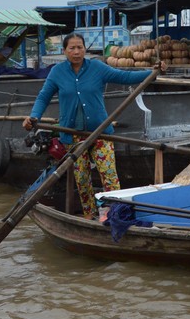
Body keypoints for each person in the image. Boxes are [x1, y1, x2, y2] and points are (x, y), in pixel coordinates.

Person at [23, 33, 164, 219]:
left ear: (85, 49)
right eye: (71, 48)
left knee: (109, 176)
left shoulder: (96, 67)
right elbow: (43, 97)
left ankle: (115, 213)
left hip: (101, 134)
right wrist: (33, 117)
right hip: (72, 135)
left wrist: (153, 72)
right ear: (64, 51)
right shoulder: (57, 72)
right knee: (82, 180)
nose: (76, 51)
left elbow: (125, 76)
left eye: (80, 47)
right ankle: (89, 216)